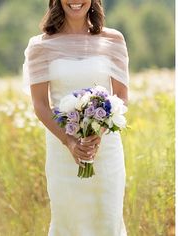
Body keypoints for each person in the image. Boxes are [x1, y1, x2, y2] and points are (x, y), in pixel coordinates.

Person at [23, 0, 129, 235]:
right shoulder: (40, 46)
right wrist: (69, 142)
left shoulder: (113, 40)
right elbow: (40, 104)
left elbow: (121, 95)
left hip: (106, 150)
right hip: (62, 150)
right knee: (68, 222)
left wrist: (97, 135)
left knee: (107, 220)